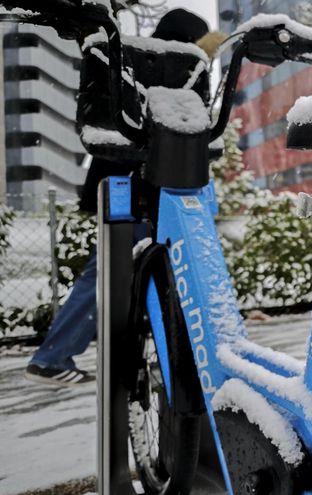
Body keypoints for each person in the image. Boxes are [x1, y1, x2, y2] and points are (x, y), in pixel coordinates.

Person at [26, 9, 215, 386]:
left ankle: (63, 355)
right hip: (141, 186)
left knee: (118, 272)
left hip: (124, 184)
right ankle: (52, 357)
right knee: (114, 275)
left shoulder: (130, 64)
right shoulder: (173, 72)